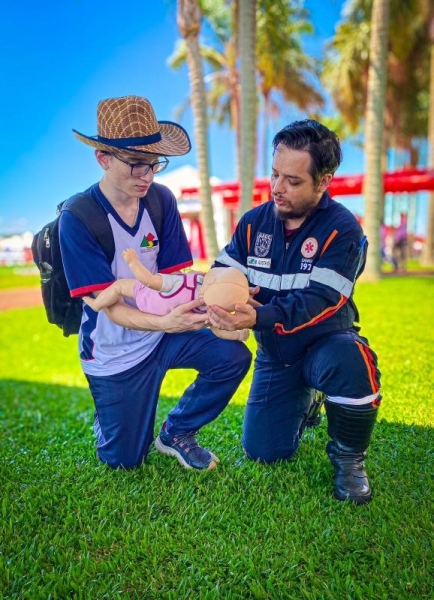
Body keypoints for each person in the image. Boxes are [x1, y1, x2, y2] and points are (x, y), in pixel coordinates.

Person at [59, 95, 252, 471]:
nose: (146, 175)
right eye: (135, 163)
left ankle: (177, 433)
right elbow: (111, 307)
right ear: (103, 158)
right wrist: (167, 322)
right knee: (124, 461)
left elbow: (174, 281)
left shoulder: (160, 200)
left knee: (232, 356)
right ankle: (110, 417)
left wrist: (213, 301)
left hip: (165, 333)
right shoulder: (79, 217)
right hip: (114, 351)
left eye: (154, 163)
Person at [207, 119, 381, 504]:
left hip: (325, 345)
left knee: (351, 360)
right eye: (274, 174)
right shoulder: (252, 224)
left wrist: (259, 316)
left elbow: (321, 299)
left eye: (293, 180)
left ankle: (349, 460)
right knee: (264, 452)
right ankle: (307, 402)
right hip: (276, 355)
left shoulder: (343, 229)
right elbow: (221, 273)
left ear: (323, 181)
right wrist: (218, 295)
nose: (277, 188)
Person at [83, 247, 250, 341]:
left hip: (146, 296)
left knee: (119, 286)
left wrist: (133, 262)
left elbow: (149, 281)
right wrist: (237, 335)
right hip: (164, 313)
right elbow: (218, 330)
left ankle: (96, 305)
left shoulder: (181, 283)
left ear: (211, 280)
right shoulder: (210, 310)